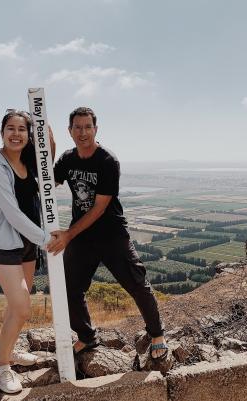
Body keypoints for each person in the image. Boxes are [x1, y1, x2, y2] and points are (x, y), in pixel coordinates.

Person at [48, 107, 167, 360]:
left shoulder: (107, 161)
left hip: (111, 234)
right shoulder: (68, 159)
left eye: (87, 127)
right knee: (69, 288)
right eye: (77, 127)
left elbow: (100, 207)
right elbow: (47, 182)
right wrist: (49, 149)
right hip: (83, 237)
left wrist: (68, 234)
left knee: (136, 283)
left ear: (96, 129)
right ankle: (87, 337)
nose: (83, 132)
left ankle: (157, 334)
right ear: (70, 131)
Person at [0, 109, 55, 394]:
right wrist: (46, 239)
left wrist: (43, 121)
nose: (15, 134)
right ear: (2, 133)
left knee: (18, 306)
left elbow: (47, 161)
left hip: (26, 242)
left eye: (22, 129)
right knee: (22, 306)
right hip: (4, 245)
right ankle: (1, 369)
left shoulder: (28, 162)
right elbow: (11, 213)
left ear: (29, 135)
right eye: (10, 128)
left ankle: (10, 352)